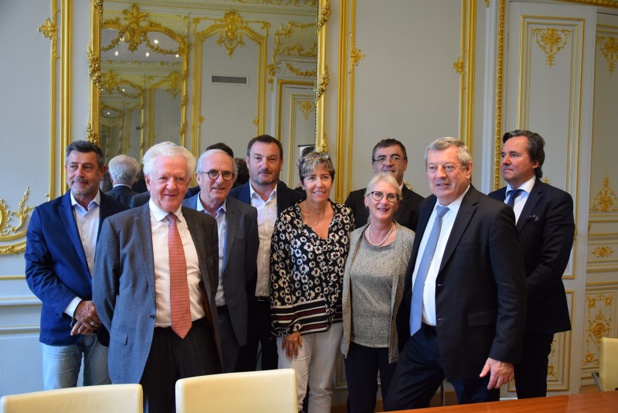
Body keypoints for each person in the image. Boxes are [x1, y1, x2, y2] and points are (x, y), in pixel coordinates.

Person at [384, 137, 527, 410]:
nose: (439, 175)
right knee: (397, 405)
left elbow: (513, 292)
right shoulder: (427, 207)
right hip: (421, 337)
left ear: (467, 169)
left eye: (448, 167)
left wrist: (502, 354)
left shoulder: (493, 215)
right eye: (432, 168)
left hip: (471, 345)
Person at [92, 142, 221, 413]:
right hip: (145, 342)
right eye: (163, 178)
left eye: (179, 178)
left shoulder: (204, 225)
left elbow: (208, 283)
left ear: (189, 183)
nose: (171, 186)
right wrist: (132, 326)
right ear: (148, 181)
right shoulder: (119, 226)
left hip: (195, 337)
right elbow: (104, 296)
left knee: (201, 407)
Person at [25, 140, 128, 390]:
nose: (78, 174)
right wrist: (78, 307)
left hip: (107, 327)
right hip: (61, 326)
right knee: (59, 405)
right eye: (73, 167)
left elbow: (129, 271)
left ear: (102, 172)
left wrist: (99, 309)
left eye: (87, 167)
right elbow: (36, 272)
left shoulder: (122, 213)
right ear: (66, 168)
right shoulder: (44, 215)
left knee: (102, 405)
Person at [488, 129, 574, 399]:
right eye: (503, 155)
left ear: (535, 162)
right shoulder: (490, 200)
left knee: (531, 390)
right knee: (484, 389)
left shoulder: (556, 200)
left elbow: (551, 265)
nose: (505, 160)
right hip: (490, 313)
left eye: (514, 154)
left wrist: (511, 301)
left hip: (535, 313)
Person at [270, 151, 354, 413]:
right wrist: (288, 326)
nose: (319, 183)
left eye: (325, 177)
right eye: (311, 177)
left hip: (335, 319)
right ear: (302, 183)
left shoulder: (345, 216)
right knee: (291, 393)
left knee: (322, 389)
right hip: (297, 323)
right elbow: (278, 273)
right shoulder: (288, 219)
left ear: (332, 180)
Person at [229, 134, 305, 370]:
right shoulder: (230, 200)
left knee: (278, 373)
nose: (265, 165)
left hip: (282, 306)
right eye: (258, 158)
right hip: (242, 304)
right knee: (241, 372)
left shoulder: (297, 201)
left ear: (281, 163)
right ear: (247, 161)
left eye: (272, 159)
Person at [341, 173, 415, 413]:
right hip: (356, 341)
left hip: (393, 341)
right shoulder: (353, 238)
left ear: (397, 202)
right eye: (378, 194)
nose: (383, 201)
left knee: (396, 405)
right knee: (360, 405)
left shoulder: (409, 240)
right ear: (366, 200)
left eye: (391, 196)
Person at [183, 149, 259, 372]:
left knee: (224, 386)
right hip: (189, 319)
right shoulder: (180, 210)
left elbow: (247, 271)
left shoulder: (247, 215)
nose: (220, 180)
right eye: (212, 173)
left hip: (228, 318)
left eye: (227, 174)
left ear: (234, 180)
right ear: (198, 177)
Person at [345, 138, 424, 231]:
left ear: (405, 164)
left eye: (395, 158)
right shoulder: (355, 199)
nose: (388, 163)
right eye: (381, 158)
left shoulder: (420, 205)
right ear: (373, 166)